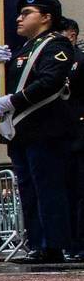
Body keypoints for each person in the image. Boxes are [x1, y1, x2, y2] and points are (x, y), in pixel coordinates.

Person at [0, 0, 76, 264]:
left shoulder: (56, 44)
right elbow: (0, 90)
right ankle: (37, 244)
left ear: (46, 17)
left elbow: (51, 81)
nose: (19, 18)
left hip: (45, 130)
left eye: (27, 13)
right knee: (28, 191)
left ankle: (53, 245)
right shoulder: (22, 50)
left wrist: (12, 101)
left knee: (47, 189)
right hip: (22, 134)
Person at [61, 18, 84, 262]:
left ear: (72, 35)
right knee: (67, 193)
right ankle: (70, 243)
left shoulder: (78, 61)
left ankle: (79, 243)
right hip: (61, 136)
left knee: (79, 193)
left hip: (78, 134)